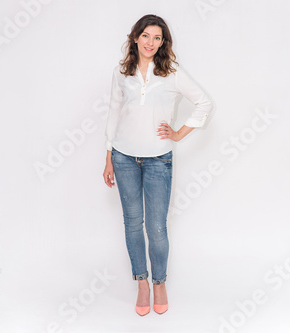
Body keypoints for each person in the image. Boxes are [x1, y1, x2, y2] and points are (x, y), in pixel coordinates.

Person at [102, 14, 213, 316]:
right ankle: (141, 282)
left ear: (163, 42)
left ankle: (159, 282)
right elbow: (113, 113)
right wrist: (109, 155)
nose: (151, 42)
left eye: (158, 38)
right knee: (132, 224)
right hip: (123, 157)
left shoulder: (171, 72)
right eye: (146, 36)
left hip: (158, 161)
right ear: (136, 37)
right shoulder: (121, 72)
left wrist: (178, 133)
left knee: (156, 227)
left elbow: (203, 103)